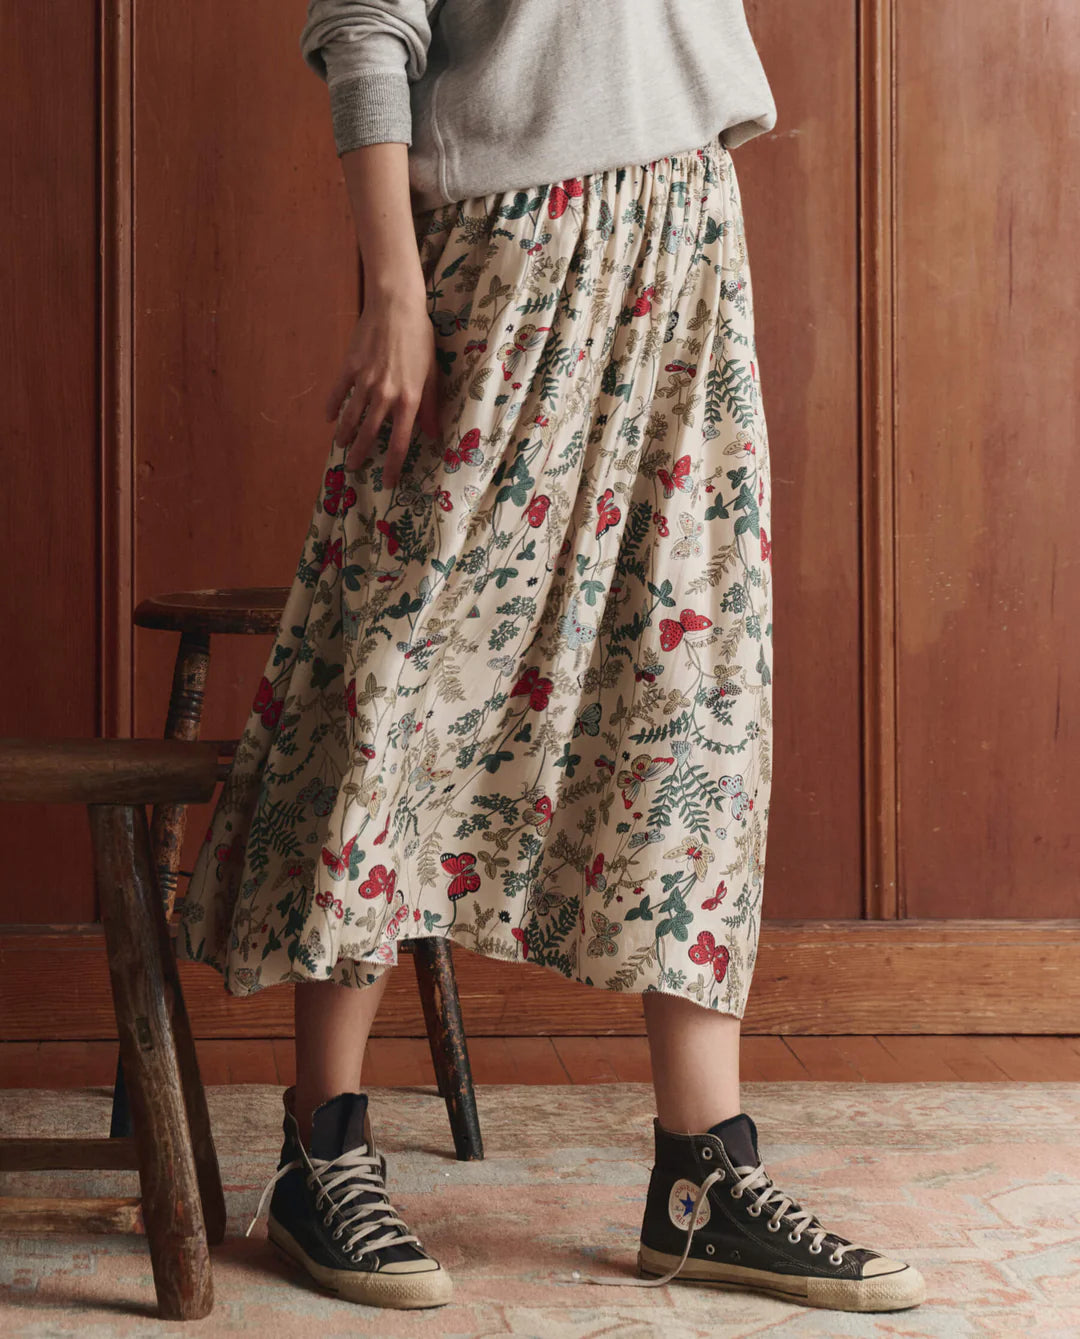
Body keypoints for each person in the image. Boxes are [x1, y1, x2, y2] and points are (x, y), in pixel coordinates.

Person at [177, 0, 926, 1315]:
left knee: (688, 692)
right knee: (404, 680)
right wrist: (396, 285)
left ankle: (701, 1173)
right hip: (510, 244)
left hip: (690, 221)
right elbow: (367, 27)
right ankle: (323, 1146)